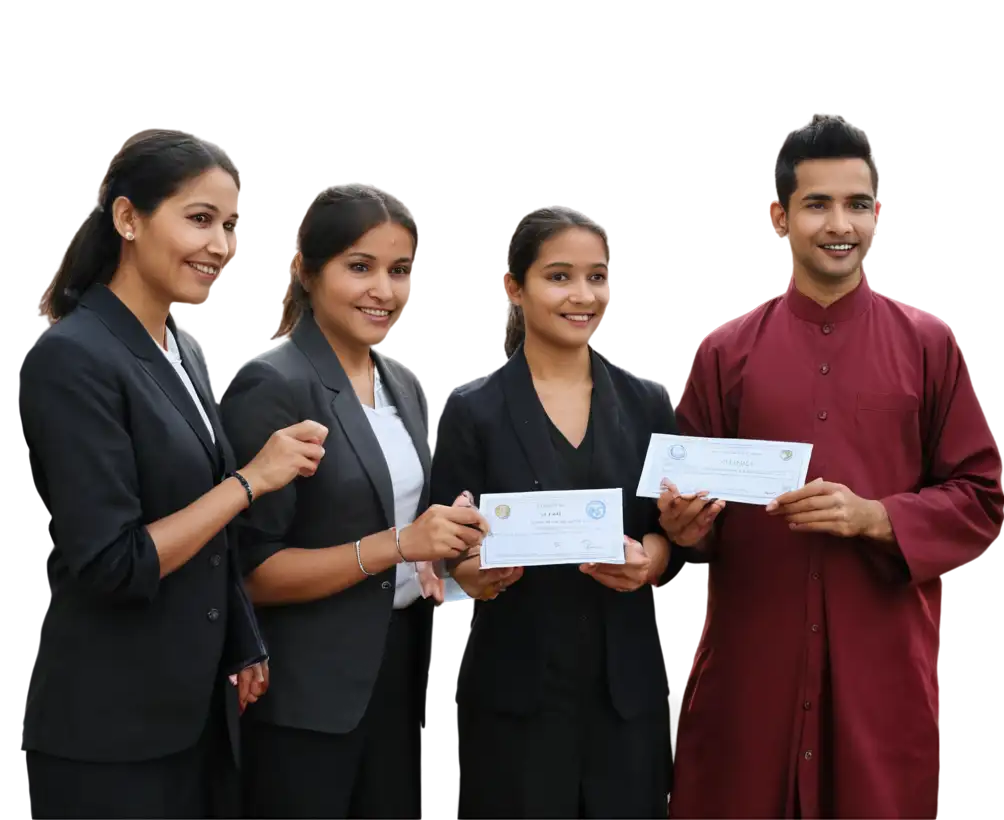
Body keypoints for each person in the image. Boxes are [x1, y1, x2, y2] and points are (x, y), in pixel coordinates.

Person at [659, 116, 1004, 819]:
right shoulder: (725, 353)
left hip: (880, 681)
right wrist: (685, 526)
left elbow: (980, 497)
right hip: (753, 681)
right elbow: (693, 521)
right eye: (817, 204)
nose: (838, 223)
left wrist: (877, 516)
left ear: (879, 215)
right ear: (778, 217)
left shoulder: (928, 345)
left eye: (856, 204)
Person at [17, 132, 329, 820]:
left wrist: (243, 641)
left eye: (231, 226)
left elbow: (202, 530)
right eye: (200, 219)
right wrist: (252, 480)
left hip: (194, 721)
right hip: (108, 736)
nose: (221, 245)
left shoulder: (179, 345)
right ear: (128, 219)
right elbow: (113, 561)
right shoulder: (72, 358)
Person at [219, 184, 488, 819]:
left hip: (399, 675)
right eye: (359, 267)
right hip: (307, 696)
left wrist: (439, 545)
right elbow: (252, 573)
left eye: (400, 271)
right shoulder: (273, 385)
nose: (384, 290)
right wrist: (399, 545)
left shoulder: (405, 383)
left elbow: (396, 515)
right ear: (306, 271)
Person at [430, 205, 691, 820]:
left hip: (622, 696)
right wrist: (473, 575)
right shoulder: (474, 413)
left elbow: (670, 536)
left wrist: (651, 559)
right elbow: (450, 549)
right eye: (560, 277)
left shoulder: (646, 405)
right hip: (515, 696)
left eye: (597, 277)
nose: (583, 295)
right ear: (514, 288)